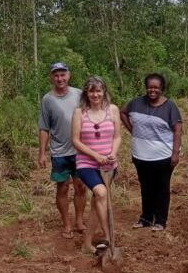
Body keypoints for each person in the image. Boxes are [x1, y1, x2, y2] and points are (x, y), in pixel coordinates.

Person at [120, 73, 182, 232]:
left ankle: (161, 220)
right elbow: (123, 113)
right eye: (149, 87)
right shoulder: (135, 103)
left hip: (163, 156)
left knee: (161, 188)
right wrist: (132, 130)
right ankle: (146, 218)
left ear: (162, 89)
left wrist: (175, 153)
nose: (152, 90)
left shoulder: (170, 107)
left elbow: (177, 130)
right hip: (140, 155)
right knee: (145, 187)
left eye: (156, 87)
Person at [71, 76, 122, 254]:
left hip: (108, 164)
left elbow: (117, 137)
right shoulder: (79, 113)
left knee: (96, 203)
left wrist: (112, 153)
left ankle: (87, 244)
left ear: (104, 92)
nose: (95, 94)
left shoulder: (113, 110)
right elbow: (76, 141)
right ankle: (109, 237)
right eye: (92, 91)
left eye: (99, 90)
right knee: (101, 193)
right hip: (86, 163)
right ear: (87, 92)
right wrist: (95, 155)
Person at [37, 62, 87, 239]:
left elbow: (89, 116)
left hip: (80, 150)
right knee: (63, 187)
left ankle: (79, 221)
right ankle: (66, 224)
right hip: (59, 152)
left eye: (63, 74)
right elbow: (44, 128)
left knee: (81, 186)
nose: (60, 78)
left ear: (69, 75)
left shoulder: (79, 94)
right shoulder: (47, 99)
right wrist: (42, 153)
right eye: (56, 75)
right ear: (52, 77)